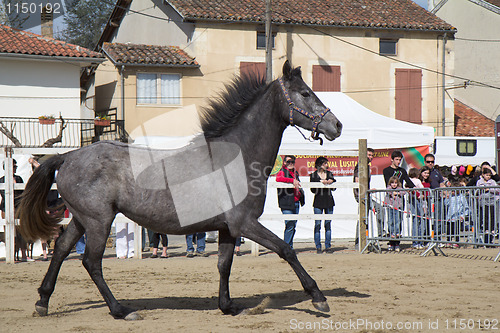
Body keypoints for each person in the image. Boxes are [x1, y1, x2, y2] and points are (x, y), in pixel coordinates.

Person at [0, 159, 32, 262]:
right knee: (9, 232)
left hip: (18, 207)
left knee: (21, 231)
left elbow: (22, 193)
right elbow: (4, 195)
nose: (15, 168)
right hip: (6, 207)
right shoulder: (1, 180)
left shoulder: (18, 178)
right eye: (14, 167)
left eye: (15, 166)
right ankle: (11, 254)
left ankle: (23, 254)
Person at [382, 151, 414, 251]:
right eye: (396, 159)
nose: (398, 162)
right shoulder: (386, 170)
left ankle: (397, 243)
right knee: (391, 220)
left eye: (400, 160)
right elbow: (388, 183)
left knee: (399, 220)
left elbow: (408, 181)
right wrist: (393, 193)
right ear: (392, 159)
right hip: (390, 199)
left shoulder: (402, 170)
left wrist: (414, 188)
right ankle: (391, 242)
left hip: (399, 200)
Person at [276, 155, 304, 249]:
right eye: (288, 162)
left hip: (295, 202)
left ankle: (289, 247)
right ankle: (287, 248)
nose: (290, 163)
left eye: (292, 161)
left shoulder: (295, 172)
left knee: (292, 225)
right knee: (290, 225)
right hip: (287, 202)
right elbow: (278, 179)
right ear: (284, 163)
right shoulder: (282, 171)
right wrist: (292, 180)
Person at [309, 157, 335, 254]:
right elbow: (312, 190)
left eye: (327, 163)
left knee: (328, 224)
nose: (327, 165)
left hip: (329, 201)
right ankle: (318, 246)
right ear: (320, 164)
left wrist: (330, 181)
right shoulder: (314, 175)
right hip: (318, 201)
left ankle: (328, 246)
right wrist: (320, 183)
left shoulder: (329, 174)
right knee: (318, 224)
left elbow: (334, 186)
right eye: (325, 163)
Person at [476, 167, 499, 245]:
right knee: (485, 217)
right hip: (483, 203)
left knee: (492, 217)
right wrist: (482, 189)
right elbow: (476, 190)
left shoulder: (492, 182)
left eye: (489, 175)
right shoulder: (479, 182)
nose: (488, 177)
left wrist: (489, 189)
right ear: (483, 175)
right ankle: (486, 231)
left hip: (492, 202)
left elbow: (497, 189)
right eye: (486, 175)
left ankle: (492, 232)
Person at [444, 180, 470, 248]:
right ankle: (448, 241)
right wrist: (447, 198)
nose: (453, 192)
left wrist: (463, 215)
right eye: (452, 190)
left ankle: (456, 242)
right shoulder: (450, 197)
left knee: (456, 230)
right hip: (450, 216)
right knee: (449, 230)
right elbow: (446, 204)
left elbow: (466, 207)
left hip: (458, 217)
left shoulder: (461, 197)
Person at [384, 176, 404, 252]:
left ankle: (397, 234)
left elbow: (403, 192)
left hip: (397, 207)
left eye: (395, 183)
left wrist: (397, 193)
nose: (394, 184)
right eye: (392, 183)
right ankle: (391, 233)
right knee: (390, 221)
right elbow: (388, 191)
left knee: (397, 221)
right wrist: (393, 193)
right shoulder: (389, 188)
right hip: (390, 207)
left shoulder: (400, 188)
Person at [408, 168, 425, 249]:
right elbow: (422, 189)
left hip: (411, 201)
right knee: (419, 220)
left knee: (415, 220)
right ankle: (419, 241)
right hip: (417, 200)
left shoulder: (408, 181)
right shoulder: (418, 181)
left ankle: (415, 242)